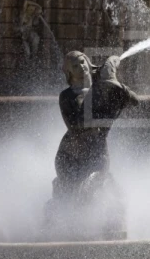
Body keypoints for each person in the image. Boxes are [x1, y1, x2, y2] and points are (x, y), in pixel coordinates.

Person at [52, 52, 139, 199]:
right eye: (75, 66)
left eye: (82, 62)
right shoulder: (67, 95)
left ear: (88, 62)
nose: (81, 66)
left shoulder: (104, 87)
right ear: (69, 72)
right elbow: (73, 126)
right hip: (70, 154)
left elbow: (135, 101)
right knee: (70, 194)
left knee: (91, 188)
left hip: (98, 151)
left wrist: (114, 83)